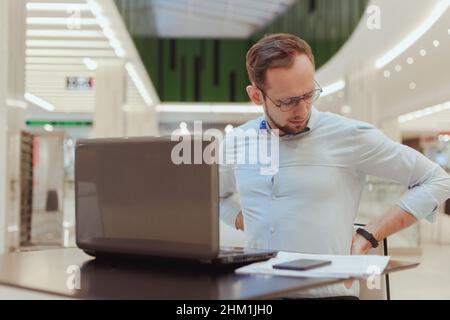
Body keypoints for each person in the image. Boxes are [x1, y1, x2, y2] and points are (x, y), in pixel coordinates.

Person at [219, 33, 450, 299]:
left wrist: (370, 235)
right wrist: (241, 219)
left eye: (308, 94)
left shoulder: (350, 135)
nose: (302, 109)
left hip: (328, 296)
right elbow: (216, 198)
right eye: (287, 101)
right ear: (256, 95)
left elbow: (437, 180)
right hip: (256, 295)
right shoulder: (236, 141)